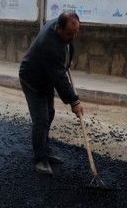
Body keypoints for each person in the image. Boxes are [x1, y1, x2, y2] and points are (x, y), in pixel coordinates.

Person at [18, 11, 85, 176]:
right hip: (33, 80)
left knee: (50, 113)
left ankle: (45, 148)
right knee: (41, 120)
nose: (74, 36)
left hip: (46, 78)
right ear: (59, 28)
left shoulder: (62, 27)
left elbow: (67, 47)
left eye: (76, 32)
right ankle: (40, 159)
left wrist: (67, 60)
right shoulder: (50, 46)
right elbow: (60, 78)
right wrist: (74, 101)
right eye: (70, 33)